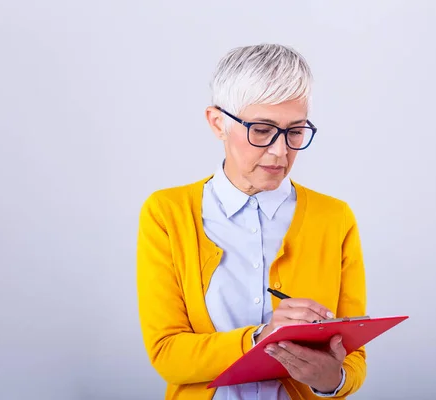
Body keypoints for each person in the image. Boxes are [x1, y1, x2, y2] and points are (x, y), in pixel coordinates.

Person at [137, 43, 367, 400]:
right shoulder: (168, 213)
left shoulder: (334, 217)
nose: (280, 151)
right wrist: (263, 337)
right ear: (218, 123)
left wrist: (329, 379)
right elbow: (167, 354)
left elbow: (352, 360)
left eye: (295, 131)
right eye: (261, 130)